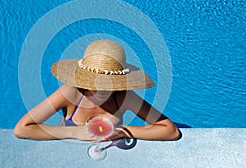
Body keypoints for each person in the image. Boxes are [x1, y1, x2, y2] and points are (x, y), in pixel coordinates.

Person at [14, 40, 181, 141]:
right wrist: (75, 133)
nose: (101, 89)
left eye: (109, 83)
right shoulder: (71, 93)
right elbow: (22, 128)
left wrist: (123, 132)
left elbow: (170, 130)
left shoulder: (123, 96)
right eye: (95, 82)